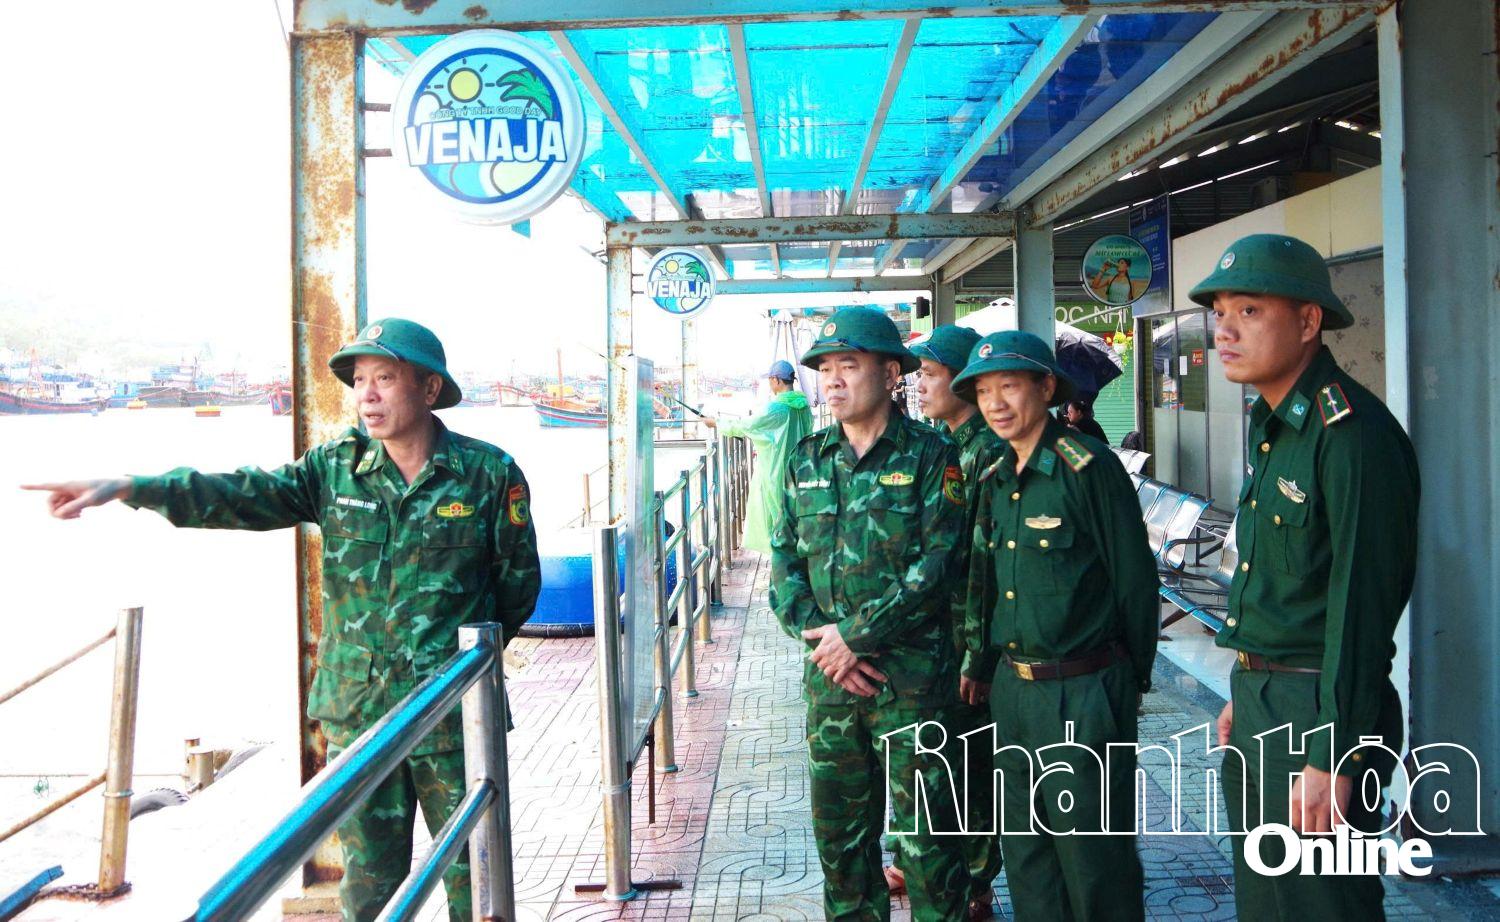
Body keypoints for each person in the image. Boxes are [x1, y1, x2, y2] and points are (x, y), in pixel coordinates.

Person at [24, 319, 541, 922]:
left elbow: (517, 587)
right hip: (358, 712)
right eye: (359, 381)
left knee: (475, 870)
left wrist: (451, 661)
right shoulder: (333, 469)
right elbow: (242, 494)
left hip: (455, 716)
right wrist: (130, 487)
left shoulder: (487, 474)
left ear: (429, 390)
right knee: (370, 882)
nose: (366, 395)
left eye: (385, 379)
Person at [1189, 234, 1419, 921]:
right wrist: (1249, 682)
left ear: (1309, 321)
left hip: (1322, 714)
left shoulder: (1349, 434)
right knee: (1268, 901)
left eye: (1250, 310)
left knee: (1325, 903)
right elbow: (1285, 589)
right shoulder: (1276, 426)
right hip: (1268, 703)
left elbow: (1359, 609)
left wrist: (1335, 752)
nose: (1224, 329)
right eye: (1220, 311)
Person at [769, 306, 969, 921]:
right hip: (831, 686)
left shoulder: (935, 456)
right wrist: (826, 649)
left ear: (890, 374)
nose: (832, 380)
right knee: (841, 844)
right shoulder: (806, 458)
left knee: (929, 845)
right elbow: (783, 561)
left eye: (848, 365)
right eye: (825, 368)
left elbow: (940, 563)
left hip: (912, 684)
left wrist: (854, 636)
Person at [952, 330, 1158, 922]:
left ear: (1046, 387)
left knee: (1093, 860)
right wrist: (986, 667)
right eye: (984, 390)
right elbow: (992, 585)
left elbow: (1135, 582)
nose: (994, 403)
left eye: (1009, 386)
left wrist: (1124, 685)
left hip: (1083, 690)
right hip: (1014, 691)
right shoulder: (997, 473)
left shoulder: (1087, 466)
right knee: (1030, 858)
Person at [905, 323, 1007, 919]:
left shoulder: (985, 451)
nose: (921, 385)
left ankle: (976, 879)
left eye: (931, 374)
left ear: (962, 382)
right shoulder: (950, 445)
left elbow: (984, 564)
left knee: (970, 765)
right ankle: (949, 868)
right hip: (942, 637)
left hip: (970, 639)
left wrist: (977, 654)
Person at [703, 360, 813, 555]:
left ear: (777, 380)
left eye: (771, 380)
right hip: (801, 470)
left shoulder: (776, 409)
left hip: (776, 471)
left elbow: (748, 425)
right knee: (797, 517)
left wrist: (717, 423)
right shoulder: (803, 407)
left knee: (779, 519)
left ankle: (784, 569)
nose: (770, 385)